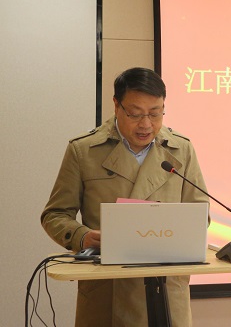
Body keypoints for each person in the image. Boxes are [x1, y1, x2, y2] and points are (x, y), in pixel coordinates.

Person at [41, 67, 209, 327]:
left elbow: (200, 214)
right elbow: (55, 214)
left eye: (155, 113)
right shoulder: (83, 150)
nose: (146, 124)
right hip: (107, 289)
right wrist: (82, 236)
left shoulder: (181, 149)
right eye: (135, 114)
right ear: (116, 105)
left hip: (165, 289)